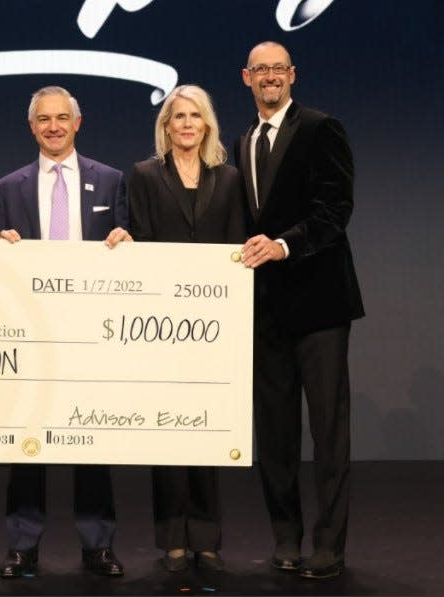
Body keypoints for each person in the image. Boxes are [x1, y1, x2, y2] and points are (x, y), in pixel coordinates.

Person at [235, 41, 364, 579]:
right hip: (263, 310)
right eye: (260, 70)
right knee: (276, 433)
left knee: (328, 431)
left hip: (319, 304)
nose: (269, 77)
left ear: (292, 75)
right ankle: (285, 537)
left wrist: (285, 244)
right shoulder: (242, 142)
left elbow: (337, 208)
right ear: (247, 78)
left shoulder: (320, 127)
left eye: (277, 69)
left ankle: (329, 546)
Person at [0, 86, 131, 578]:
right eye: (43, 119)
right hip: (31, 337)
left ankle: (98, 545)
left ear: (78, 122)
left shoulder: (112, 181)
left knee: (91, 441)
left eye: (62, 118)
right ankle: (22, 546)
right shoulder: (7, 188)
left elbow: (128, 250)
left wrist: (125, 242)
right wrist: (0, 246)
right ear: (32, 127)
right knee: (27, 442)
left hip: (91, 335)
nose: (53, 126)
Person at [128, 84, 244, 574]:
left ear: (207, 125)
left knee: (206, 433)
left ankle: (207, 536)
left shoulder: (231, 177)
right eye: (178, 117)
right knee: (168, 435)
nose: (187, 124)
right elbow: (144, 242)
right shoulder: (144, 176)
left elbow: (236, 246)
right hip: (164, 326)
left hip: (216, 326)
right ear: (166, 127)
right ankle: (172, 537)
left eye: (196, 116)